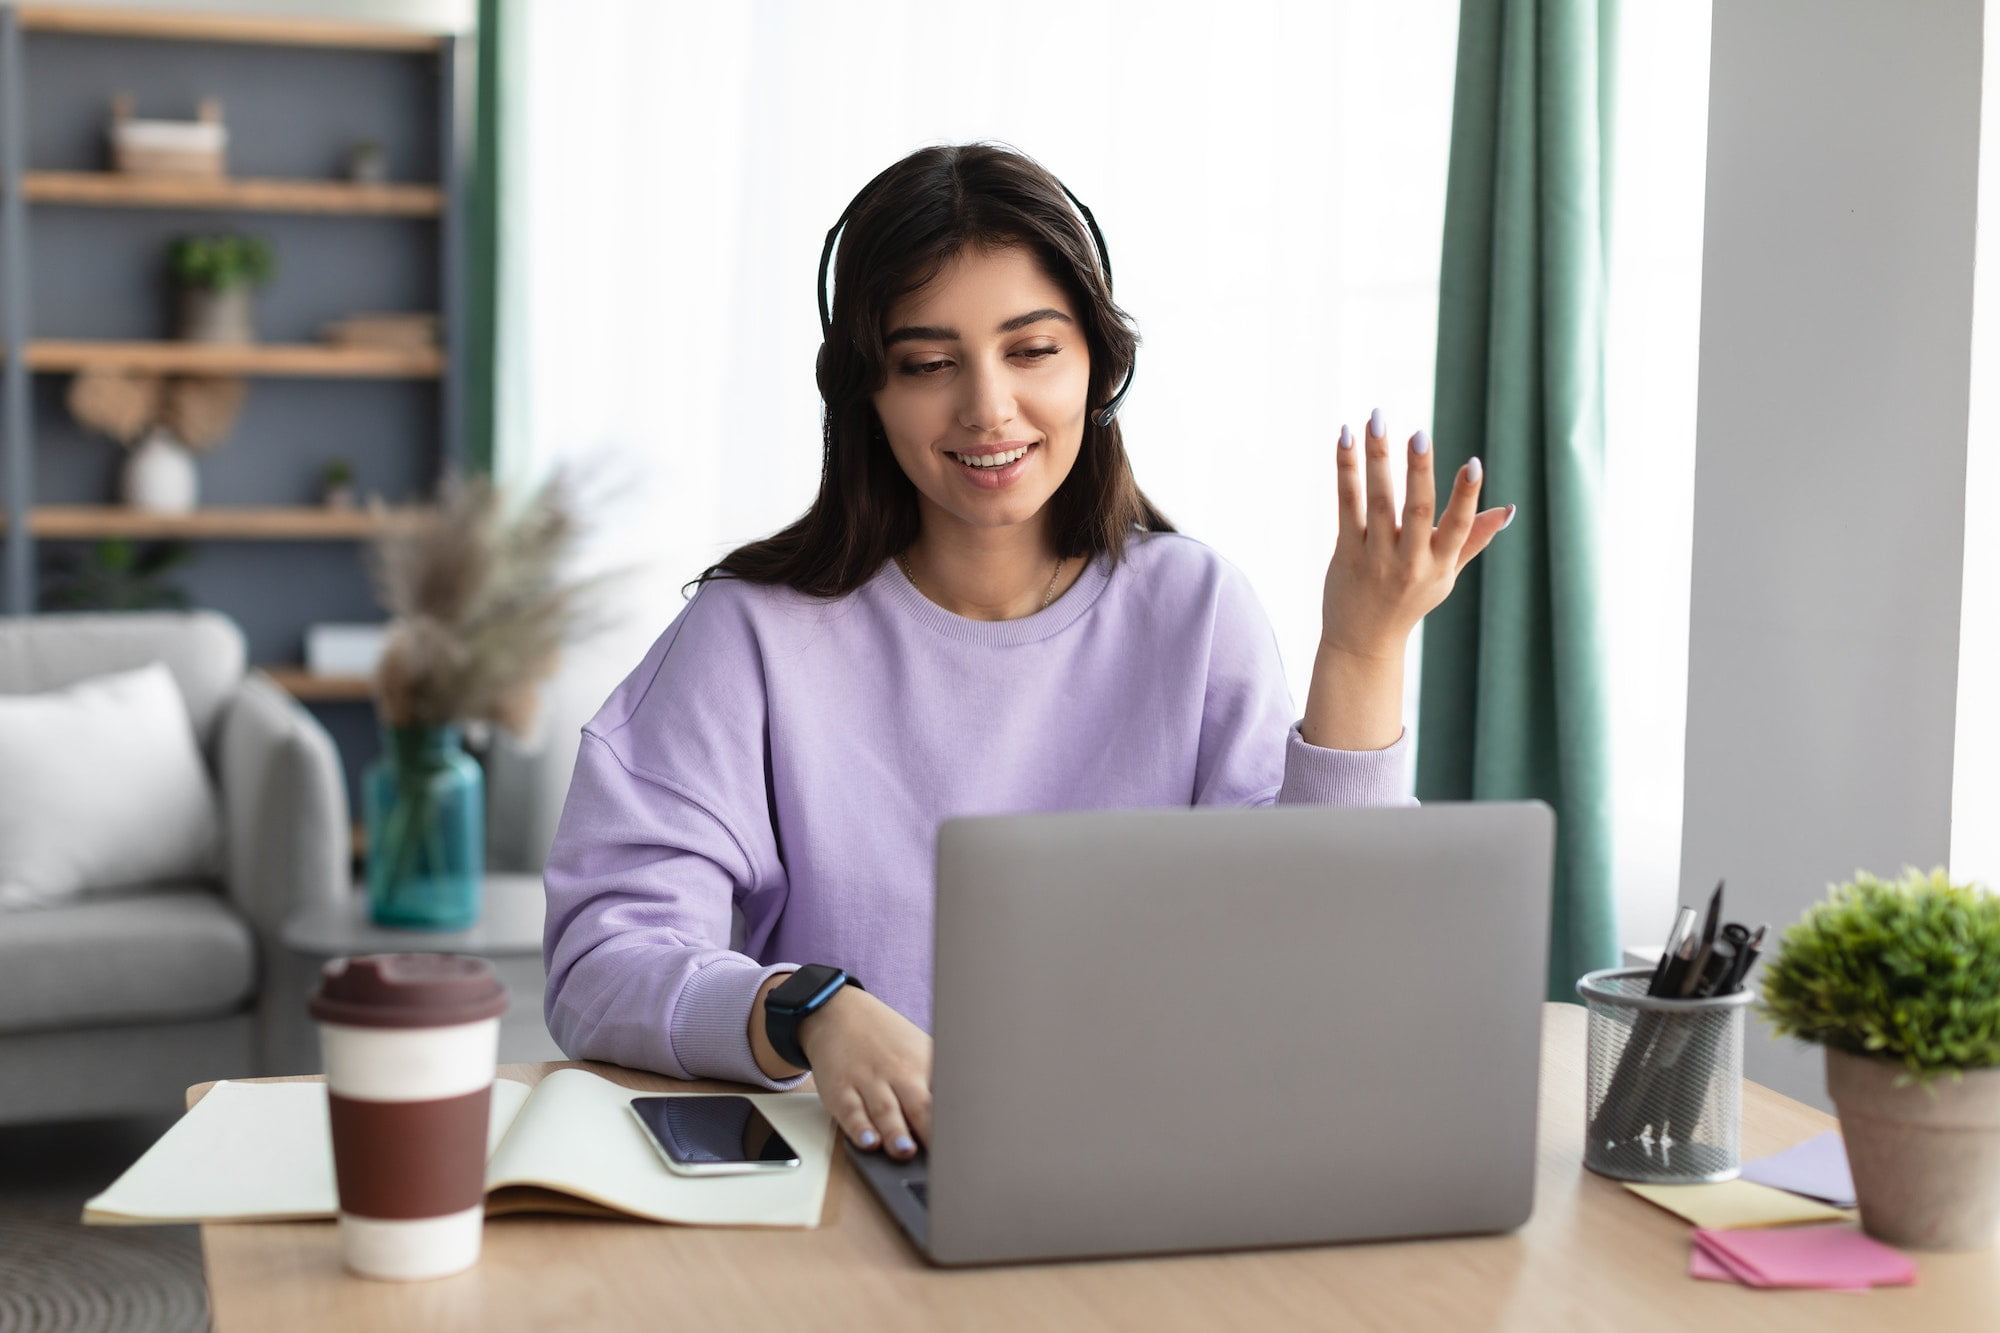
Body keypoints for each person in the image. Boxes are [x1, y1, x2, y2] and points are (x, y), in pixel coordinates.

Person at [543, 142, 1513, 1166]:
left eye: (1031, 349)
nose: (986, 409)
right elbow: (601, 966)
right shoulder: (750, 637)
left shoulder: (1191, 608)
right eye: (926, 364)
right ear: (867, 393)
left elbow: (1319, 959)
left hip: (1155, 1168)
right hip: (846, 1193)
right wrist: (807, 1009)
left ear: (1098, 363)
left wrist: (1362, 648)